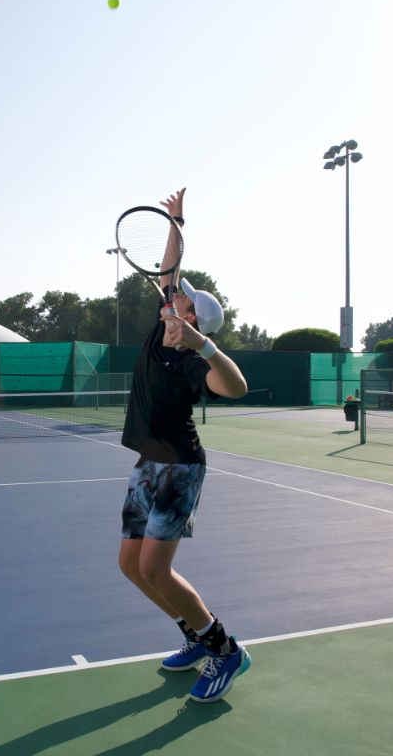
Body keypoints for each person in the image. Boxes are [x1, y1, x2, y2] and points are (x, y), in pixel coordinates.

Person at [117, 187, 252, 703]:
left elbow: (235, 387)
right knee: (131, 567)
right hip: (147, 465)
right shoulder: (161, 330)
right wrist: (177, 222)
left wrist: (206, 347)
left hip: (181, 468)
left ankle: (225, 649)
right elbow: (169, 268)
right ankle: (196, 637)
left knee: (155, 568)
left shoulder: (196, 361)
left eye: (182, 299)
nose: (171, 295)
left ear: (192, 318)